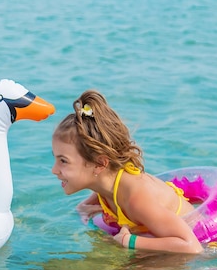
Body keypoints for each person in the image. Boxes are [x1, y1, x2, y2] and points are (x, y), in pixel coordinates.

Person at [51, 90, 203, 254]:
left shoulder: (136, 200)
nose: (54, 170)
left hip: (201, 241)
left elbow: (192, 246)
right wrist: (83, 208)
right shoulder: (104, 184)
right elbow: (89, 206)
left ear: (100, 164)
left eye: (63, 161)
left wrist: (129, 241)